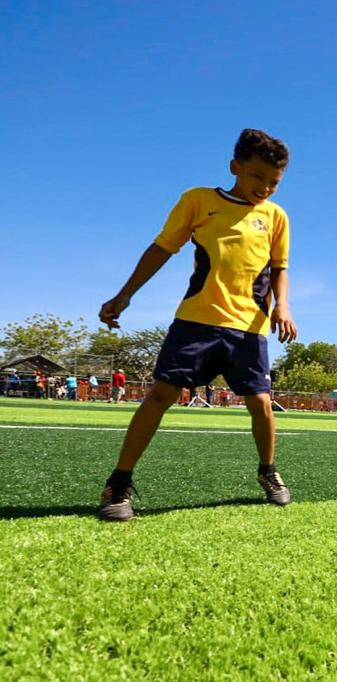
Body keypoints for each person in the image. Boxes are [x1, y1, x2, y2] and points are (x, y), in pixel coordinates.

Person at [95, 128, 297, 522]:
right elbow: (162, 248)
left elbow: (279, 268)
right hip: (196, 320)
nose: (265, 188)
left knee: (260, 403)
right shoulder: (199, 200)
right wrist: (125, 294)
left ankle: (268, 471)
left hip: (250, 328)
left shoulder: (276, 216)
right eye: (257, 176)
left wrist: (283, 306)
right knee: (161, 394)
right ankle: (118, 483)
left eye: (273, 182)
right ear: (235, 167)